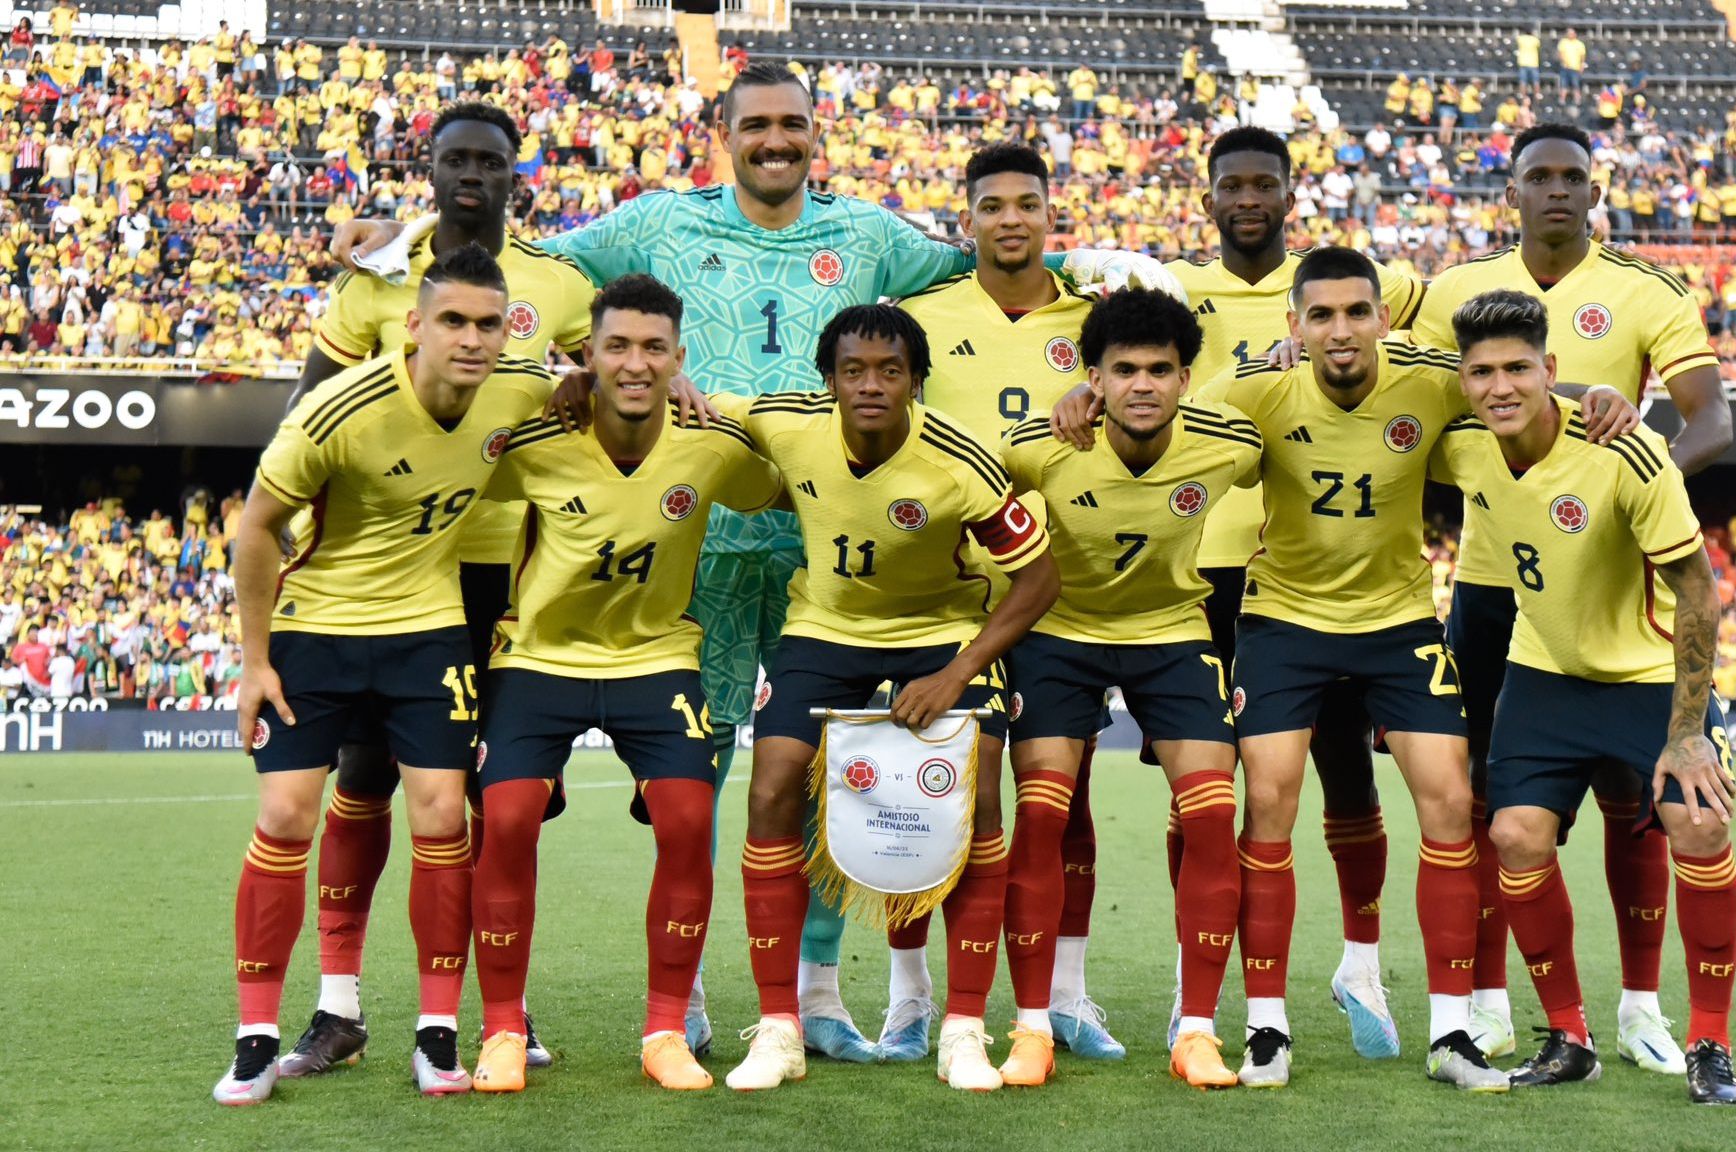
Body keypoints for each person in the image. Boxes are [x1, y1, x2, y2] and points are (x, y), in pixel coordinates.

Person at [333, 65, 1169, 1060]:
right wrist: (388, 243)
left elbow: (994, 255)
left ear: (818, 135)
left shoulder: (868, 236)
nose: (776, 140)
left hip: (829, 548)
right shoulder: (654, 225)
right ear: (721, 132)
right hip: (693, 540)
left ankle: (816, 995)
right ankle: (679, 1001)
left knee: (829, 765)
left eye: (793, 126)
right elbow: (522, 264)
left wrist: (1108, 287)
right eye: (756, 125)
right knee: (702, 766)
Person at [279, 101, 594, 1079]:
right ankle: (338, 1007)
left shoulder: (559, 286)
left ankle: (504, 1004)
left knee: (505, 800)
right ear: (427, 168)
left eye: (488, 162)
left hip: (509, 576)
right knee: (367, 782)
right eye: (453, 159)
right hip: (389, 575)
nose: (470, 176)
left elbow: (586, 419)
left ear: (514, 173)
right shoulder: (375, 280)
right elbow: (303, 414)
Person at [1409, 122, 1730, 1071]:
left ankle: (1639, 1007)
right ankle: (1493, 999)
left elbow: (1712, 416)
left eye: (1572, 177)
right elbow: (1413, 403)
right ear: (1509, 191)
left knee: (1642, 798)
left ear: (1595, 190)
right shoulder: (1459, 289)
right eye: (1537, 177)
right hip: (1488, 585)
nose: (1556, 191)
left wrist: (1623, 492)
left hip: (1602, 578)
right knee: (1490, 805)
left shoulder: (1648, 290)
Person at [218, 246, 557, 1105]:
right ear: (415, 325)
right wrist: (254, 663)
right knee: (286, 814)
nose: (472, 340)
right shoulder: (339, 410)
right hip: (317, 632)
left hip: (428, 633)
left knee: (445, 811)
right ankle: (254, 1037)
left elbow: (598, 392)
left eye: (488, 323)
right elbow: (256, 530)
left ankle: (437, 1034)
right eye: (453, 321)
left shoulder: (519, 393)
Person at [713, 304, 1059, 1092]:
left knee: (979, 805)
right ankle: (778, 1030)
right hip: (824, 628)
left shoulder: (960, 460)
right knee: (769, 791)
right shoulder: (784, 422)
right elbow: (691, 400)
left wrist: (958, 672)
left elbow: (1039, 579)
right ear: (828, 380)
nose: (871, 386)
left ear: (915, 381)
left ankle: (964, 1031)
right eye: (854, 371)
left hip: (940, 633)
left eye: (890, 371)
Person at [1195, 247, 1503, 1092]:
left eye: (1356, 313)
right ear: (1293, 324)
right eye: (1321, 315)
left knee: (1448, 797)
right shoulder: (1257, 389)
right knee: (1269, 799)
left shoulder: (1432, 381)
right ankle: (1265, 1026)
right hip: (1284, 622)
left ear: (1384, 318)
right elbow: (1160, 424)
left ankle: (1452, 1035)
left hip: (1397, 621)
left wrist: (1602, 400)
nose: (1340, 330)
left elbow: (1520, 392)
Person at [466, 275, 782, 1094]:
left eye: (652, 349)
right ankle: (502, 1028)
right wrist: (544, 384)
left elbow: (781, 473)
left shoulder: (712, 442)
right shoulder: (536, 438)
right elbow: (464, 442)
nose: (634, 364)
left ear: (680, 358)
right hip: (538, 659)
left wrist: (730, 408)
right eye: (616, 347)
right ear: (589, 355)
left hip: (655, 659)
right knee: (506, 819)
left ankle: (665, 1030)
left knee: (687, 818)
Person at [996, 289, 1256, 1090]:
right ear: (1094, 379)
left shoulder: (1229, 444)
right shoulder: (1037, 446)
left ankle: (1200, 1032)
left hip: (1172, 635)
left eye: (1160, 370)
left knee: (1214, 818)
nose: (1143, 385)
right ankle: (1032, 1027)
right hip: (1061, 636)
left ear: (1186, 378)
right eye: (1124, 370)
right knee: (1041, 816)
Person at [896, 143, 1122, 1061]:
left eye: (1029, 203)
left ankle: (1064, 994)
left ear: (1049, 214)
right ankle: (913, 998)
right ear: (969, 220)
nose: (1012, 219)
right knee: (931, 801)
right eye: (994, 206)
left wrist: (1098, 380)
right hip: (948, 597)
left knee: (1065, 802)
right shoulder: (920, 317)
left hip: (1065, 591)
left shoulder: (1098, 323)